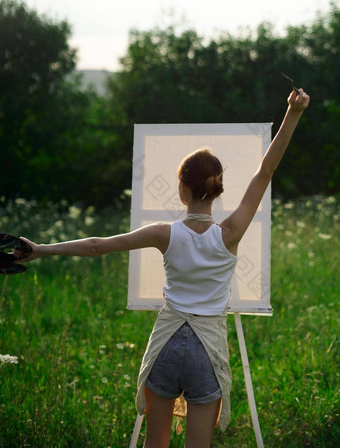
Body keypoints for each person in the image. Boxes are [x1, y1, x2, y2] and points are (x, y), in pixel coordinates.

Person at [16, 89, 310, 448]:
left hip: (166, 344)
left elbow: (97, 246)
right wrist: (293, 113)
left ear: (182, 189)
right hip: (208, 348)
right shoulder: (230, 233)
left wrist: (41, 250)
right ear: (218, 190)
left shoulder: (164, 233)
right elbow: (266, 170)